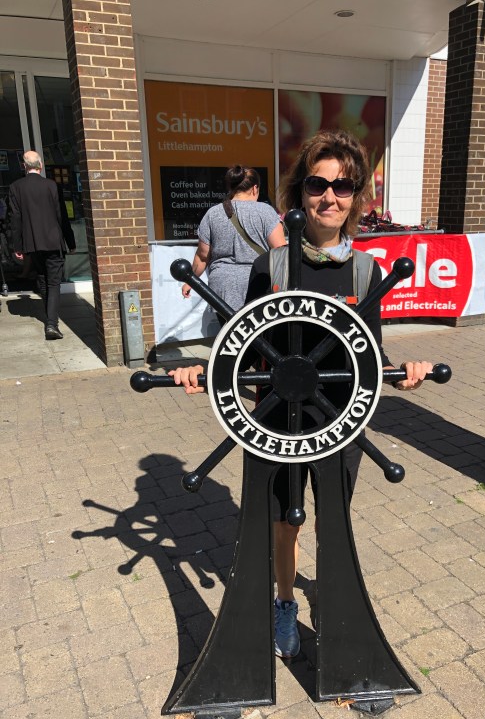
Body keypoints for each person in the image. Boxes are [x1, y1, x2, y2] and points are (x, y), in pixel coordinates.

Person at [171, 131, 432, 658]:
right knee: (282, 522)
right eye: (317, 184)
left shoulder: (366, 271)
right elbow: (246, 347)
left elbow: (370, 355)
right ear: (300, 190)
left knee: (334, 519)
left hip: (341, 421)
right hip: (276, 420)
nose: (329, 197)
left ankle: (332, 599)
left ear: (357, 198)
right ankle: (285, 601)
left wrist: (403, 372)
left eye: (343, 186)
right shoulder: (271, 266)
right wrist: (206, 371)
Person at [181, 165, 286, 314]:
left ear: (231, 188)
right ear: (255, 188)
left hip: (222, 288)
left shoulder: (213, 213)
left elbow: (203, 256)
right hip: (258, 283)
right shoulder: (266, 212)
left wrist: (190, 281)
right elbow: (280, 251)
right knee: (258, 329)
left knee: (228, 328)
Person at [9, 150, 76, 339]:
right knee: (53, 283)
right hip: (53, 241)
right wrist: (70, 241)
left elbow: (15, 219)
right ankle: (52, 324)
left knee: (42, 278)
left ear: (24, 166)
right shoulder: (51, 185)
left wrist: (17, 246)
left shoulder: (15, 187)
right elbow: (62, 216)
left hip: (32, 244)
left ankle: (50, 319)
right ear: (41, 165)